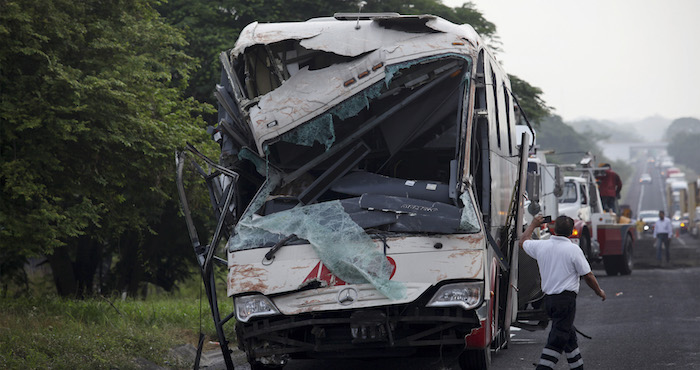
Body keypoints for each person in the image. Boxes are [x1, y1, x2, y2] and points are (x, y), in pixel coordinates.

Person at [519, 215, 606, 370]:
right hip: (566, 301)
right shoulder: (573, 250)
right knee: (558, 338)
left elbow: (523, 241)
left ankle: (578, 367)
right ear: (572, 231)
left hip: (549, 301)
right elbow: (588, 275)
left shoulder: (541, 246)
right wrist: (599, 291)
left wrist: (533, 224)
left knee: (568, 335)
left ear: (553, 229)